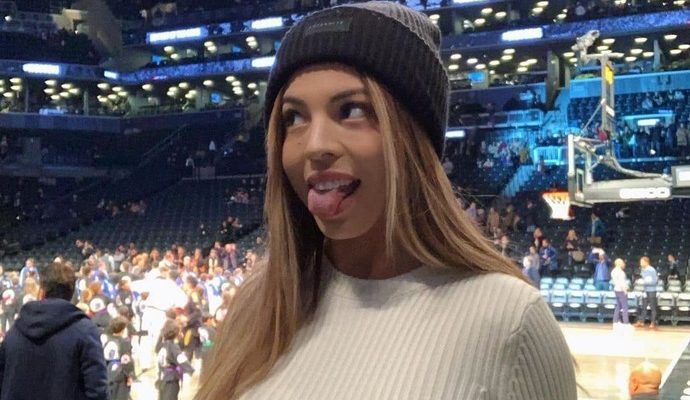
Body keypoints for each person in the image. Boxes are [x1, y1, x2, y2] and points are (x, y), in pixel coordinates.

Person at [196, 3, 577, 400]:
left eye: (352, 110)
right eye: (294, 118)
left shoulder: (511, 320)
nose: (315, 145)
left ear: (412, 138)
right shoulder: (257, 306)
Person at [0, 262, 108, 399]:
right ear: (71, 293)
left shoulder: (15, 330)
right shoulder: (85, 330)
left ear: (41, 291)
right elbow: (97, 390)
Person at [156, 320, 194, 400]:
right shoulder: (173, 346)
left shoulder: (161, 345)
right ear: (176, 333)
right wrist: (190, 369)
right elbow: (181, 359)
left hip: (162, 377)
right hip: (171, 380)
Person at [103, 317, 135, 400]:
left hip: (106, 372)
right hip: (119, 375)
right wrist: (130, 375)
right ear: (122, 330)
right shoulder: (124, 343)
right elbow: (126, 360)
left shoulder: (106, 339)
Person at [635, 256, 658, 330]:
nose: (640, 263)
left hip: (651, 290)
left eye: (642, 262)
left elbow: (655, 281)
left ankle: (653, 322)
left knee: (653, 307)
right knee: (643, 307)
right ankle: (641, 321)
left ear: (646, 262)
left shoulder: (652, 270)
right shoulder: (642, 270)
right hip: (645, 290)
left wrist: (645, 282)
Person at [611, 258, 629, 328]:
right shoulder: (621, 272)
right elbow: (622, 282)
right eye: (622, 263)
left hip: (616, 289)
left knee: (618, 306)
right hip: (621, 290)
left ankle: (615, 321)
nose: (624, 264)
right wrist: (625, 290)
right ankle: (626, 322)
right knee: (625, 307)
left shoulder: (613, 271)